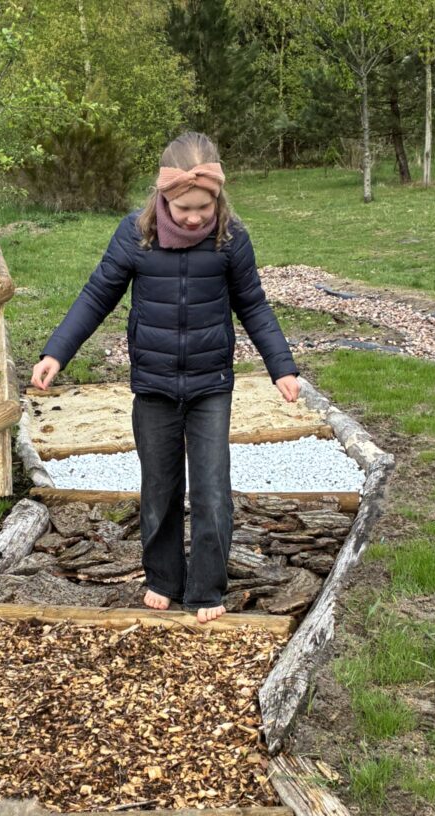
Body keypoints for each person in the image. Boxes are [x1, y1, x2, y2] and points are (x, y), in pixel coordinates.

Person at [31, 132, 300, 622]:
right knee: (159, 487)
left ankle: (206, 589)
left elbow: (254, 305)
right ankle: (163, 578)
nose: (194, 218)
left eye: (204, 207)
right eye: (184, 208)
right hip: (153, 384)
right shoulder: (135, 235)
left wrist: (281, 365)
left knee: (212, 490)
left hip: (210, 385)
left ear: (218, 197)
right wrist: (57, 352)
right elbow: (96, 295)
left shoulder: (231, 238)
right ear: (162, 198)